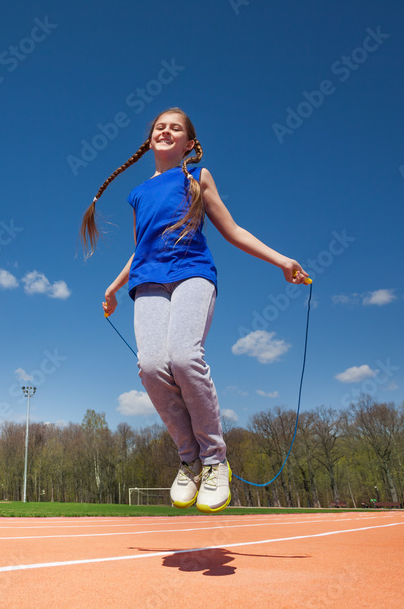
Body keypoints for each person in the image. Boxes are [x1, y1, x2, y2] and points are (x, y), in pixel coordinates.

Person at [79, 107, 309, 513]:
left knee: (184, 357)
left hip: (192, 274)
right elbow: (141, 250)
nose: (166, 131)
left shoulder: (196, 178)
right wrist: (113, 288)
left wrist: (282, 260)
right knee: (151, 366)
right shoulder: (137, 193)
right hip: (148, 282)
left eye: (176, 128)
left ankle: (215, 460)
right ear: (150, 139)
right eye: (159, 127)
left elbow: (232, 230)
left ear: (189, 143)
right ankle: (189, 460)